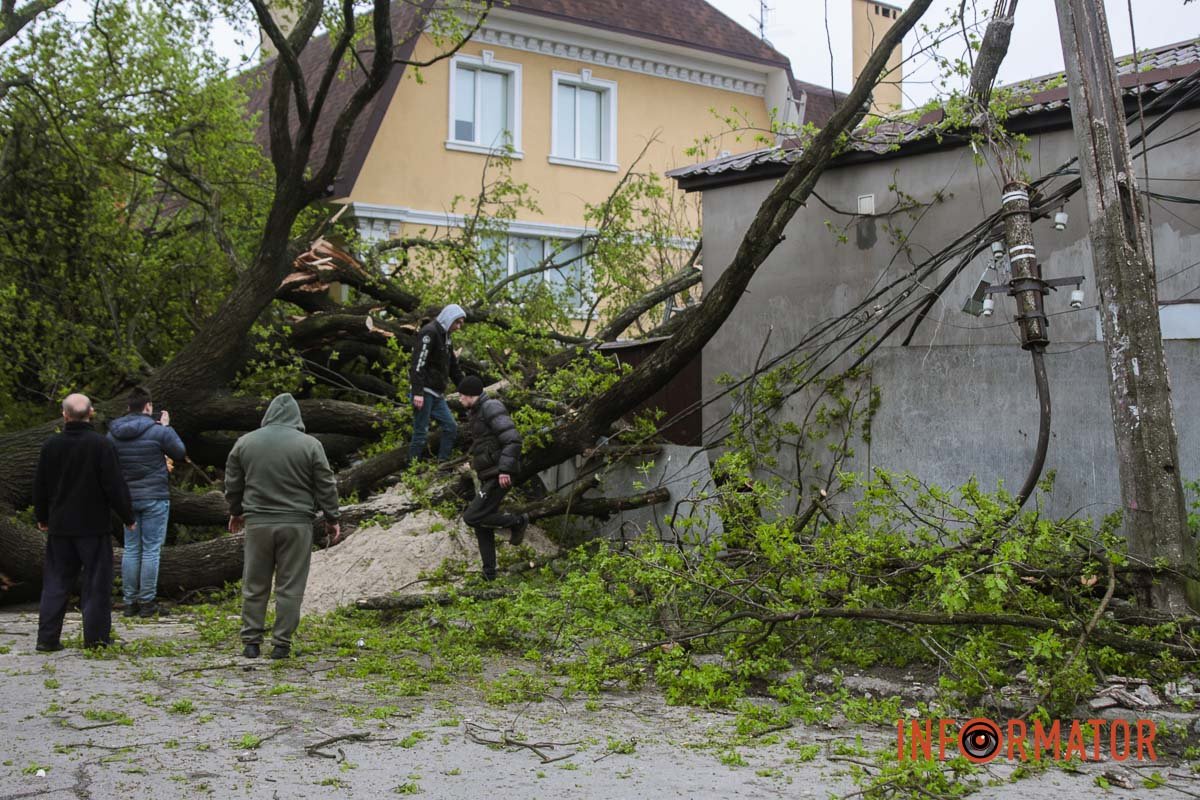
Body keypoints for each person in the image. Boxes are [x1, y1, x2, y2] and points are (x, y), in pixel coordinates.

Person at [224, 393, 341, 660]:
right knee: (290, 586)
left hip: (258, 524)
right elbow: (326, 484)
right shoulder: (310, 445)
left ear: (268, 415)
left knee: (254, 583)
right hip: (297, 523)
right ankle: (281, 644)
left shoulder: (245, 443)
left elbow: (233, 483)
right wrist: (332, 518)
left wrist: (235, 511)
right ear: (296, 417)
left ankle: (251, 642)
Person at [33, 393, 135, 651]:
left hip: (61, 525)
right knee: (96, 583)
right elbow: (114, 485)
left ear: (64, 414)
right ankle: (96, 638)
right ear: (91, 413)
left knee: (56, 582)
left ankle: (47, 639)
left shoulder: (50, 445)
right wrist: (128, 517)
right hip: (93, 526)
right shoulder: (101, 445)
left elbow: (40, 486)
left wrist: (42, 517)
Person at [108, 386, 187, 618]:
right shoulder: (158, 430)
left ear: (128, 407)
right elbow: (180, 452)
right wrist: (167, 427)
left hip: (126, 498)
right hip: (154, 496)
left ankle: (129, 601)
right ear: (148, 407)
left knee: (131, 549)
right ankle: (147, 602)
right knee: (151, 550)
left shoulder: (113, 433)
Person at [459, 376, 529, 582]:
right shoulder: (477, 412)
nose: (460, 399)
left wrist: (505, 470)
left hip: (499, 474)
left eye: (462, 396)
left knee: (471, 517)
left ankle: (518, 521)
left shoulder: (491, 407)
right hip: (490, 473)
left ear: (471, 395)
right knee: (481, 523)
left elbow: (513, 439)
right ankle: (489, 575)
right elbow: (487, 443)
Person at [408, 303, 466, 462]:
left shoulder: (446, 337)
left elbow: (453, 367)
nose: (459, 326)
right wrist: (417, 392)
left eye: (461, 323)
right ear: (449, 318)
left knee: (451, 427)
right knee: (421, 432)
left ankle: (443, 463)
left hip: (437, 393)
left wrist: (466, 389)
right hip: (424, 392)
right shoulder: (430, 332)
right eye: (457, 322)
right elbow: (418, 363)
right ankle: (411, 470)